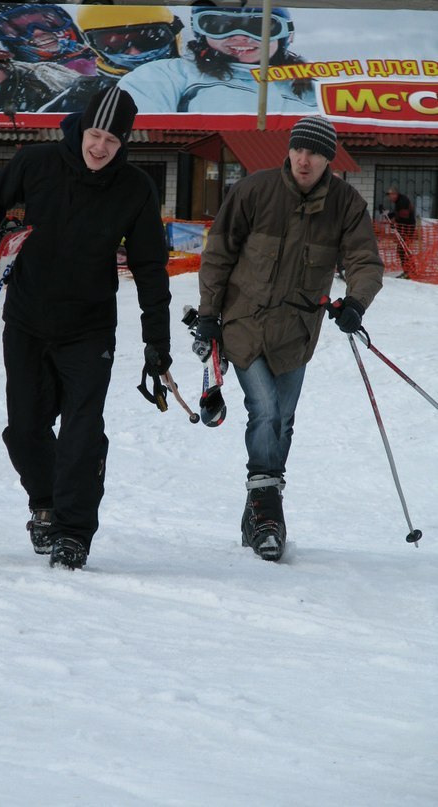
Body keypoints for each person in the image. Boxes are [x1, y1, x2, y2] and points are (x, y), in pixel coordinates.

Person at [0, 86, 171, 570]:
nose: (100, 147)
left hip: (89, 327)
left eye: (112, 140)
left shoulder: (135, 188)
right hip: (26, 319)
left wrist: (156, 340)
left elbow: (149, 264)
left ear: (125, 143)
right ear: (82, 128)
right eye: (95, 134)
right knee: (23, 431)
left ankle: (73, 532)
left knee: (82, 434)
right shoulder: (38, 161)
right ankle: (45, 503)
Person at [193, 116, 384, 562]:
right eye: (299, 149)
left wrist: (355, 302)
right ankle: (268, 511)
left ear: (327, 159)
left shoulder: (346, 204)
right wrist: (208, 314)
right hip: (244, 322)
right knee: (265, 409)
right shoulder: (253, 190)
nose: (304, 158)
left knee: (284, 420)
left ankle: (259, 506)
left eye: (314, 152)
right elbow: (218, 254)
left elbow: (365, 262)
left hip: (296, 333)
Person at [117, 6, 317, 114]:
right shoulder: (166, 76)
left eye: (259, 27)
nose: (240, 37)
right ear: (200, 32)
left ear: (284, 35)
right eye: (220, 25)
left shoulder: (311, 90)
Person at [41, 4, 184, 112]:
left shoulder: (198, 84)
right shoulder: (81, 97)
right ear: (92, 44)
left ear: (173, 32)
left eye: (148, 39)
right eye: (114, 44)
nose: (133, 52)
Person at [0, 3, 97, 76]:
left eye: (46, 22)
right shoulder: (16, 81)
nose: (38, 32)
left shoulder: (105, 57)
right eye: (19, 29)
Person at [385, 185, 416, 278]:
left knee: (403, 250)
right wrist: (391, 215)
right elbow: (398, 213)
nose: (389, 198)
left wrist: (394, 221)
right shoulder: (399, 201)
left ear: (395, 194)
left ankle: (409, 272)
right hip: (404, 228)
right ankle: (409, 271)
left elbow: (404, 216)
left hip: (407, 229)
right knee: (403, 250)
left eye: (390, 195)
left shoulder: (402, 201)